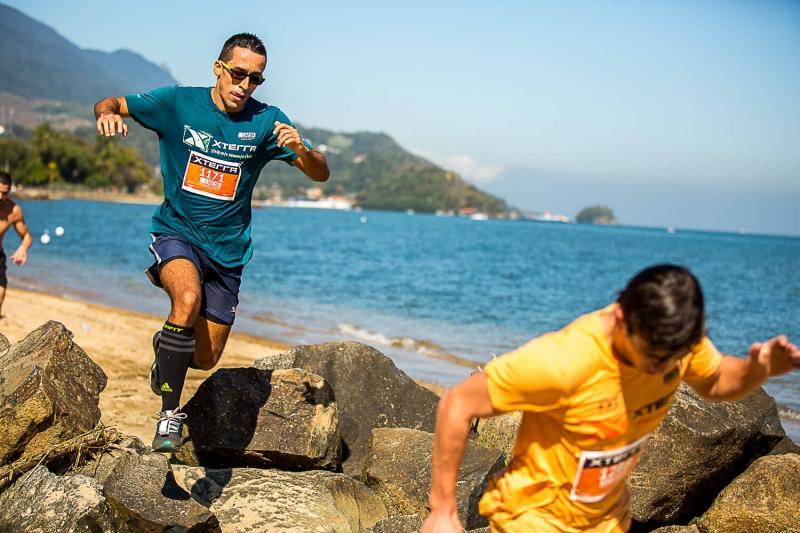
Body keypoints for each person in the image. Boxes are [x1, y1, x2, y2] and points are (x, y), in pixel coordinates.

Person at [422, 264, 799, 532]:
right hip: (534, 518)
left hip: (606, 518)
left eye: (668, 363)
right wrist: (442, 510)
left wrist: (759, 369)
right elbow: (458, 403)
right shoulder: (563, 362)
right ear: (620, 318)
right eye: (648, 360)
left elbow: (715, 382)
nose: (658, 373)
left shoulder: (673, 343)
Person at [94, 33, 329, 453]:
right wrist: (106, 115)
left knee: (204, 358)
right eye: (238, 73)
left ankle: (165, 349)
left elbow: (320, 173)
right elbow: (112, 102)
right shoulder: (177, 103)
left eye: (255, 79)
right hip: (176, 232)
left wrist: (302, 151)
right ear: (218, 69)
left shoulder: (267, 121)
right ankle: (169, 415)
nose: (245, 85)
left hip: (228, 253)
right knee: (186, 298)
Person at [0, 172, 33, 319]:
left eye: (4, 193)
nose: (0, 197)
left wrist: (23, 248)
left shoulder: (14, 211)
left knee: (0, 293)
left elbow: (26, 236)